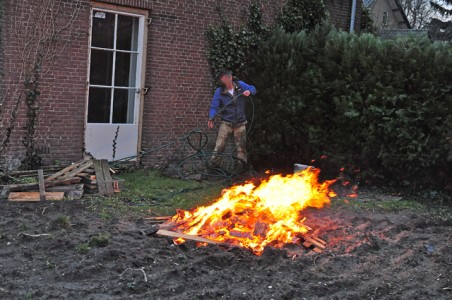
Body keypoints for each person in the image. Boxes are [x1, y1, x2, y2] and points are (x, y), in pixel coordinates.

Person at [208, 70, 257, 169]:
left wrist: (249, 91)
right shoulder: (219, 91)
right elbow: (214, 107)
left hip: (240, 123)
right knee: (219, 147)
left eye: (226, 79)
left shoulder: (240, 85)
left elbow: (253, 89)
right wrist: (211, 117)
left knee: (241, 148)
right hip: (226, 123)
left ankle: (241, 169)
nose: (224, 82)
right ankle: (214, 168)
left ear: (230, 78)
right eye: (222, 80)